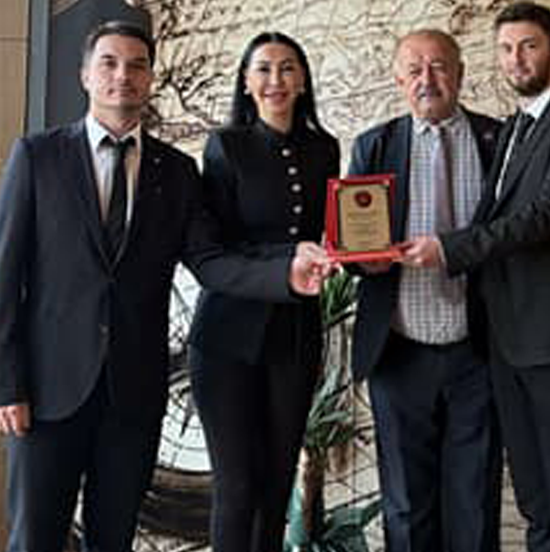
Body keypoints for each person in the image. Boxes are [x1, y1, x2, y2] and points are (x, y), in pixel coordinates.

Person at [0, 21, 330, 552]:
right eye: (109, 63)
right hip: (48, 391)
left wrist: (284, 273)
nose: (123, 75)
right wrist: (5, 384)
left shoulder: (177, 171)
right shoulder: (38, 157)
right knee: (35, 539)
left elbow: (210, 262)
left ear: (150, 80)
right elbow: (5, 277)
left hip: (134, 395)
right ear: (85, 75)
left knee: (114, 539)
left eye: (137, 65)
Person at [402, 4, 550, 552]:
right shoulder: (514, 128)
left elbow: (546, 216)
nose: (516, 59)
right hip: (512, 339)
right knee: (537, 500)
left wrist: (448, 249)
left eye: (529, 46)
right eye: (506, 49)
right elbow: (495, 215)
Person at [346, 29, 501, 552]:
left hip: (480, 350)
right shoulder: (374, 145)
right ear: (398, 81)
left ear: (460, 74)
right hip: (399, 351)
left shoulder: (499, 140)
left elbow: (522, 231)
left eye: (438, 67)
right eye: (414, 69)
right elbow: (354, 249)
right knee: (406, 506)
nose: (427, 79)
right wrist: (360, 261)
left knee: (475, 499)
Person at [187, 32, 340, 552]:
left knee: (277, 488)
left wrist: (350, 252)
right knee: (237, 489)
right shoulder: (226, 146)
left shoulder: (325, 149)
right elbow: (218, 250)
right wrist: (289, 258)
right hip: (227, 337)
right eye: (264, 69)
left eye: (288, 68)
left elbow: (330, 232)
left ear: (303, 81)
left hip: (295, 335)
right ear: (247, 83)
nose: (276, 80)